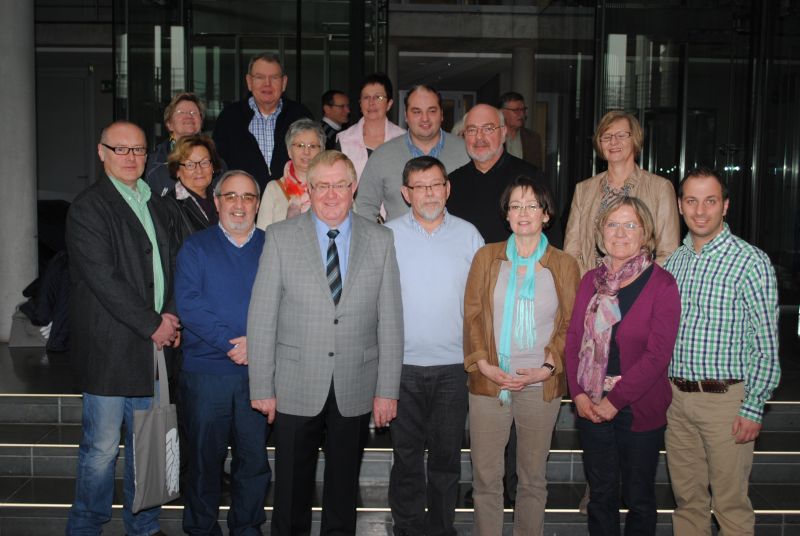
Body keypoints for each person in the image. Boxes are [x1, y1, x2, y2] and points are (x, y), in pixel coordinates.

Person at [247, 150, 404, 536]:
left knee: (343, 488)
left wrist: (387, 391)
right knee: (289, 490)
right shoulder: (281, 237)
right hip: (295, 382)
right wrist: (262, 387)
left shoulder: (381, 239)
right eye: (322, 186)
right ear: (309, 189)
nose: (331, 194)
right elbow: (262, 315)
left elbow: (392, 321)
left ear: (353, 188)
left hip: (356, 382)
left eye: (340, 185)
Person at [65, 121, 182, 536]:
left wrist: (169, 315)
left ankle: (144, 525)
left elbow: (170, 267)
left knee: (145, 446)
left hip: (152, 347)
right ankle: (86, 527)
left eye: (138, 151)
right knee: (99, 451)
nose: (132, 158)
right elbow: (103, 280)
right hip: (111, 348)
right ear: (102, 153)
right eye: (121, 150)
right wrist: (155, 323)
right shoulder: (88, 207)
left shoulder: (156, 202)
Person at [665, 168, 780, 535]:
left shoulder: (751, 262)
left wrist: (753, 406)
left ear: (725, 206)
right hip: (676, 401)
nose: (701, 211)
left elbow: (765, 344)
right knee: (687, 504)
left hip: (726, 402)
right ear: (680, 206)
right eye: (692, 201)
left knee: (730, 506)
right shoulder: (674, 263)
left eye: (710, 201)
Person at [464, 175, 580, 536]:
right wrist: (484, 364)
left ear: (546, 214)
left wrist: (547, 369)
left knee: (532, 478)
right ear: (507, 214)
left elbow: (570, 324)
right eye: (516, 206)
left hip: (539, 384)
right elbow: (473, 314)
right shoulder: (487, 256)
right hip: (489, 381)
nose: (523, 213)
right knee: (486, 477)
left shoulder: (563, 263)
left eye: (532, 205)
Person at [565, 197, 680, 535]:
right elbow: (573, 341)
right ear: (601, 231)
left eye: (630, 225)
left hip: (638, 406)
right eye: (612, 224)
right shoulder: (590, 281)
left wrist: (615, 401)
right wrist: (580, 395)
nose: (621, 232)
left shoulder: (663, 284)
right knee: (600, 495)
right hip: (590, 405)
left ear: (645, 233)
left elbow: (658, 356)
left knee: (639, 497)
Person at [384, 156, 484, 536]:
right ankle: (407, 527)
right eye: (420, 186)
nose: (429, 193)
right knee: (406, 457)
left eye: (436, 184)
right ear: (406, 193)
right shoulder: (387, 235)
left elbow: (480, 304)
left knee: (446, 459)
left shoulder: (469, 235)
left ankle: (442, 529)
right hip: (402, 367)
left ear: (448, 188)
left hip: (452, 368)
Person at [174, 170, 271, 535]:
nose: (240, 205)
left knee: (254, 461)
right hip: (206, 375)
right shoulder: (196, 247)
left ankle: (247, 526)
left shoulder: (273, 245)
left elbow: (287, 302)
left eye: (248, 197)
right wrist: (235, 344)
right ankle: (200, 528)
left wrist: (257, 345)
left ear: (258, 204)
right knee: (203, 460)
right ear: (217, 203)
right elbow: (190, 304)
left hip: (258, 375)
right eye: (231, 196)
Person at [563, 110, 680, 275]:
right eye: (606, 136)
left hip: (641, 290)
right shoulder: (583, 190)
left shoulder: (660, 188)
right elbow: (571, 251)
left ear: (635, 139)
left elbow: (669, 253)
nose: (613, 141)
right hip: (592, 289)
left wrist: (635, 284)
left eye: (621, 135)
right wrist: (591, 284)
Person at [357, 84, 469, 222]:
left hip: (454, 242)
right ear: (406, 116)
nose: (425, 118)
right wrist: (377, 240)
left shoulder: (466, 152)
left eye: (432, 111)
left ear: (441, 114)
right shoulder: (382, 155)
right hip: (397, 243)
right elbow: (364, 206)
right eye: (416, 112)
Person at [447, 103, 551, 245]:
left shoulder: (531, 178)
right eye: (471, 130)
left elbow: (550, 237)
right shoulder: (452, 183)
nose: (479, 137)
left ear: (503, 133)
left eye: (488, 129)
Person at [213, 52, 313, 191]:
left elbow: (318, 162)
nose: (267, 83)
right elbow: (218, 167)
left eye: (274, 77)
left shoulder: (300, 116)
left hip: (293, 202)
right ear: (249, 81)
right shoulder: (229, 118)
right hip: (244, 205)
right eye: (260, 77)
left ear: (284, 83)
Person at [256, 118, 324, 229]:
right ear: (289, 151)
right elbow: (263, 234)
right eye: (300, 145)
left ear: (322, 151)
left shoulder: (334, 187)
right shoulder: (274, 189)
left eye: (312, 146)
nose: (306, 152)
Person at [336, 72, 405, 180]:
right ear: (360, 103)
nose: (371, 103)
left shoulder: (403, 139)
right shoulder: (344, 140)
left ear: (389, 104)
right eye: (366, 97)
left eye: (378, 97)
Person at [145, 92, 207, 196]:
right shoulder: (154, 164)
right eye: (181, 112)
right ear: (169, 124)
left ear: (200, 123)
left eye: (194, 112)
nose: (188, 116)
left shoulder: (215, 161)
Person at [165, 134, 224, 236]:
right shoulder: (167, 207)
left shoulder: (224, 197)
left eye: (205, 162)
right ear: (177, 170)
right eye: (190, 165)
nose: (199, 170)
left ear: (213, 166)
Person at [499, 92, 544, 170]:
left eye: (523, 109)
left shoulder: (533, 138)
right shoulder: (493, 137)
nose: (521, 114)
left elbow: (537, 170)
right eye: (516, 110)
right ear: (502, 112)